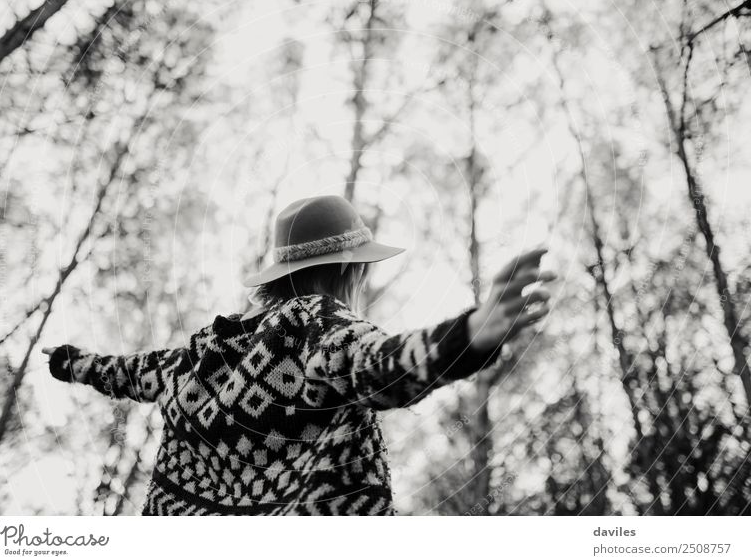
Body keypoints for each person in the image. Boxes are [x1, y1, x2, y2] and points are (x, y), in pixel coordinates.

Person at [43, 194, 555, 515]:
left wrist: (69, 361)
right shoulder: (313, 326)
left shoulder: (196, 356)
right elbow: (378, 366)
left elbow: (124, 372)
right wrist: (466, 335)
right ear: (349, 271)